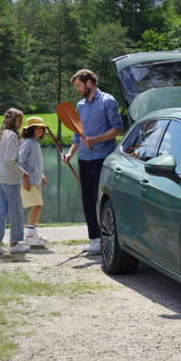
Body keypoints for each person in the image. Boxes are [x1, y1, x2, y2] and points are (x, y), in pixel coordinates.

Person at [62, 69, 124, 254]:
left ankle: (108, 237)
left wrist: (94, 140)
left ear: (89, 83)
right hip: (84, 159)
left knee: (100, 199)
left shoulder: (107, 101)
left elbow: (118, 129)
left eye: (79, 86)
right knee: (87, 199)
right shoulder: (80, 105)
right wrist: (70, 154)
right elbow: (77, 135)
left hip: (102, 158)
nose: (78, 90)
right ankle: (95, 239)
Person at [0, 108, 31, 255]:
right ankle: (14, 243)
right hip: (9, 180)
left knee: (0, 212)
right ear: (12, 121)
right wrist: (23, 174)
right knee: (16, 212)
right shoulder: (12, 136)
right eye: (19, 121)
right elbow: (9, 160)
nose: (21, 124)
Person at [19, 116, 48, 248]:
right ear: (29, 130)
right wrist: (24, 179)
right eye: (36, 128)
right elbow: (20, 161)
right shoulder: (28, 142)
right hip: (28, 181)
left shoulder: (35, 142)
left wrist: (41, 174)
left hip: (35, 180)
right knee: (35, 205)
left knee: (39, 205)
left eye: (41, 128)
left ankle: (34, 232)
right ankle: (29, 235)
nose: (40, 130)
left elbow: (34, 162)